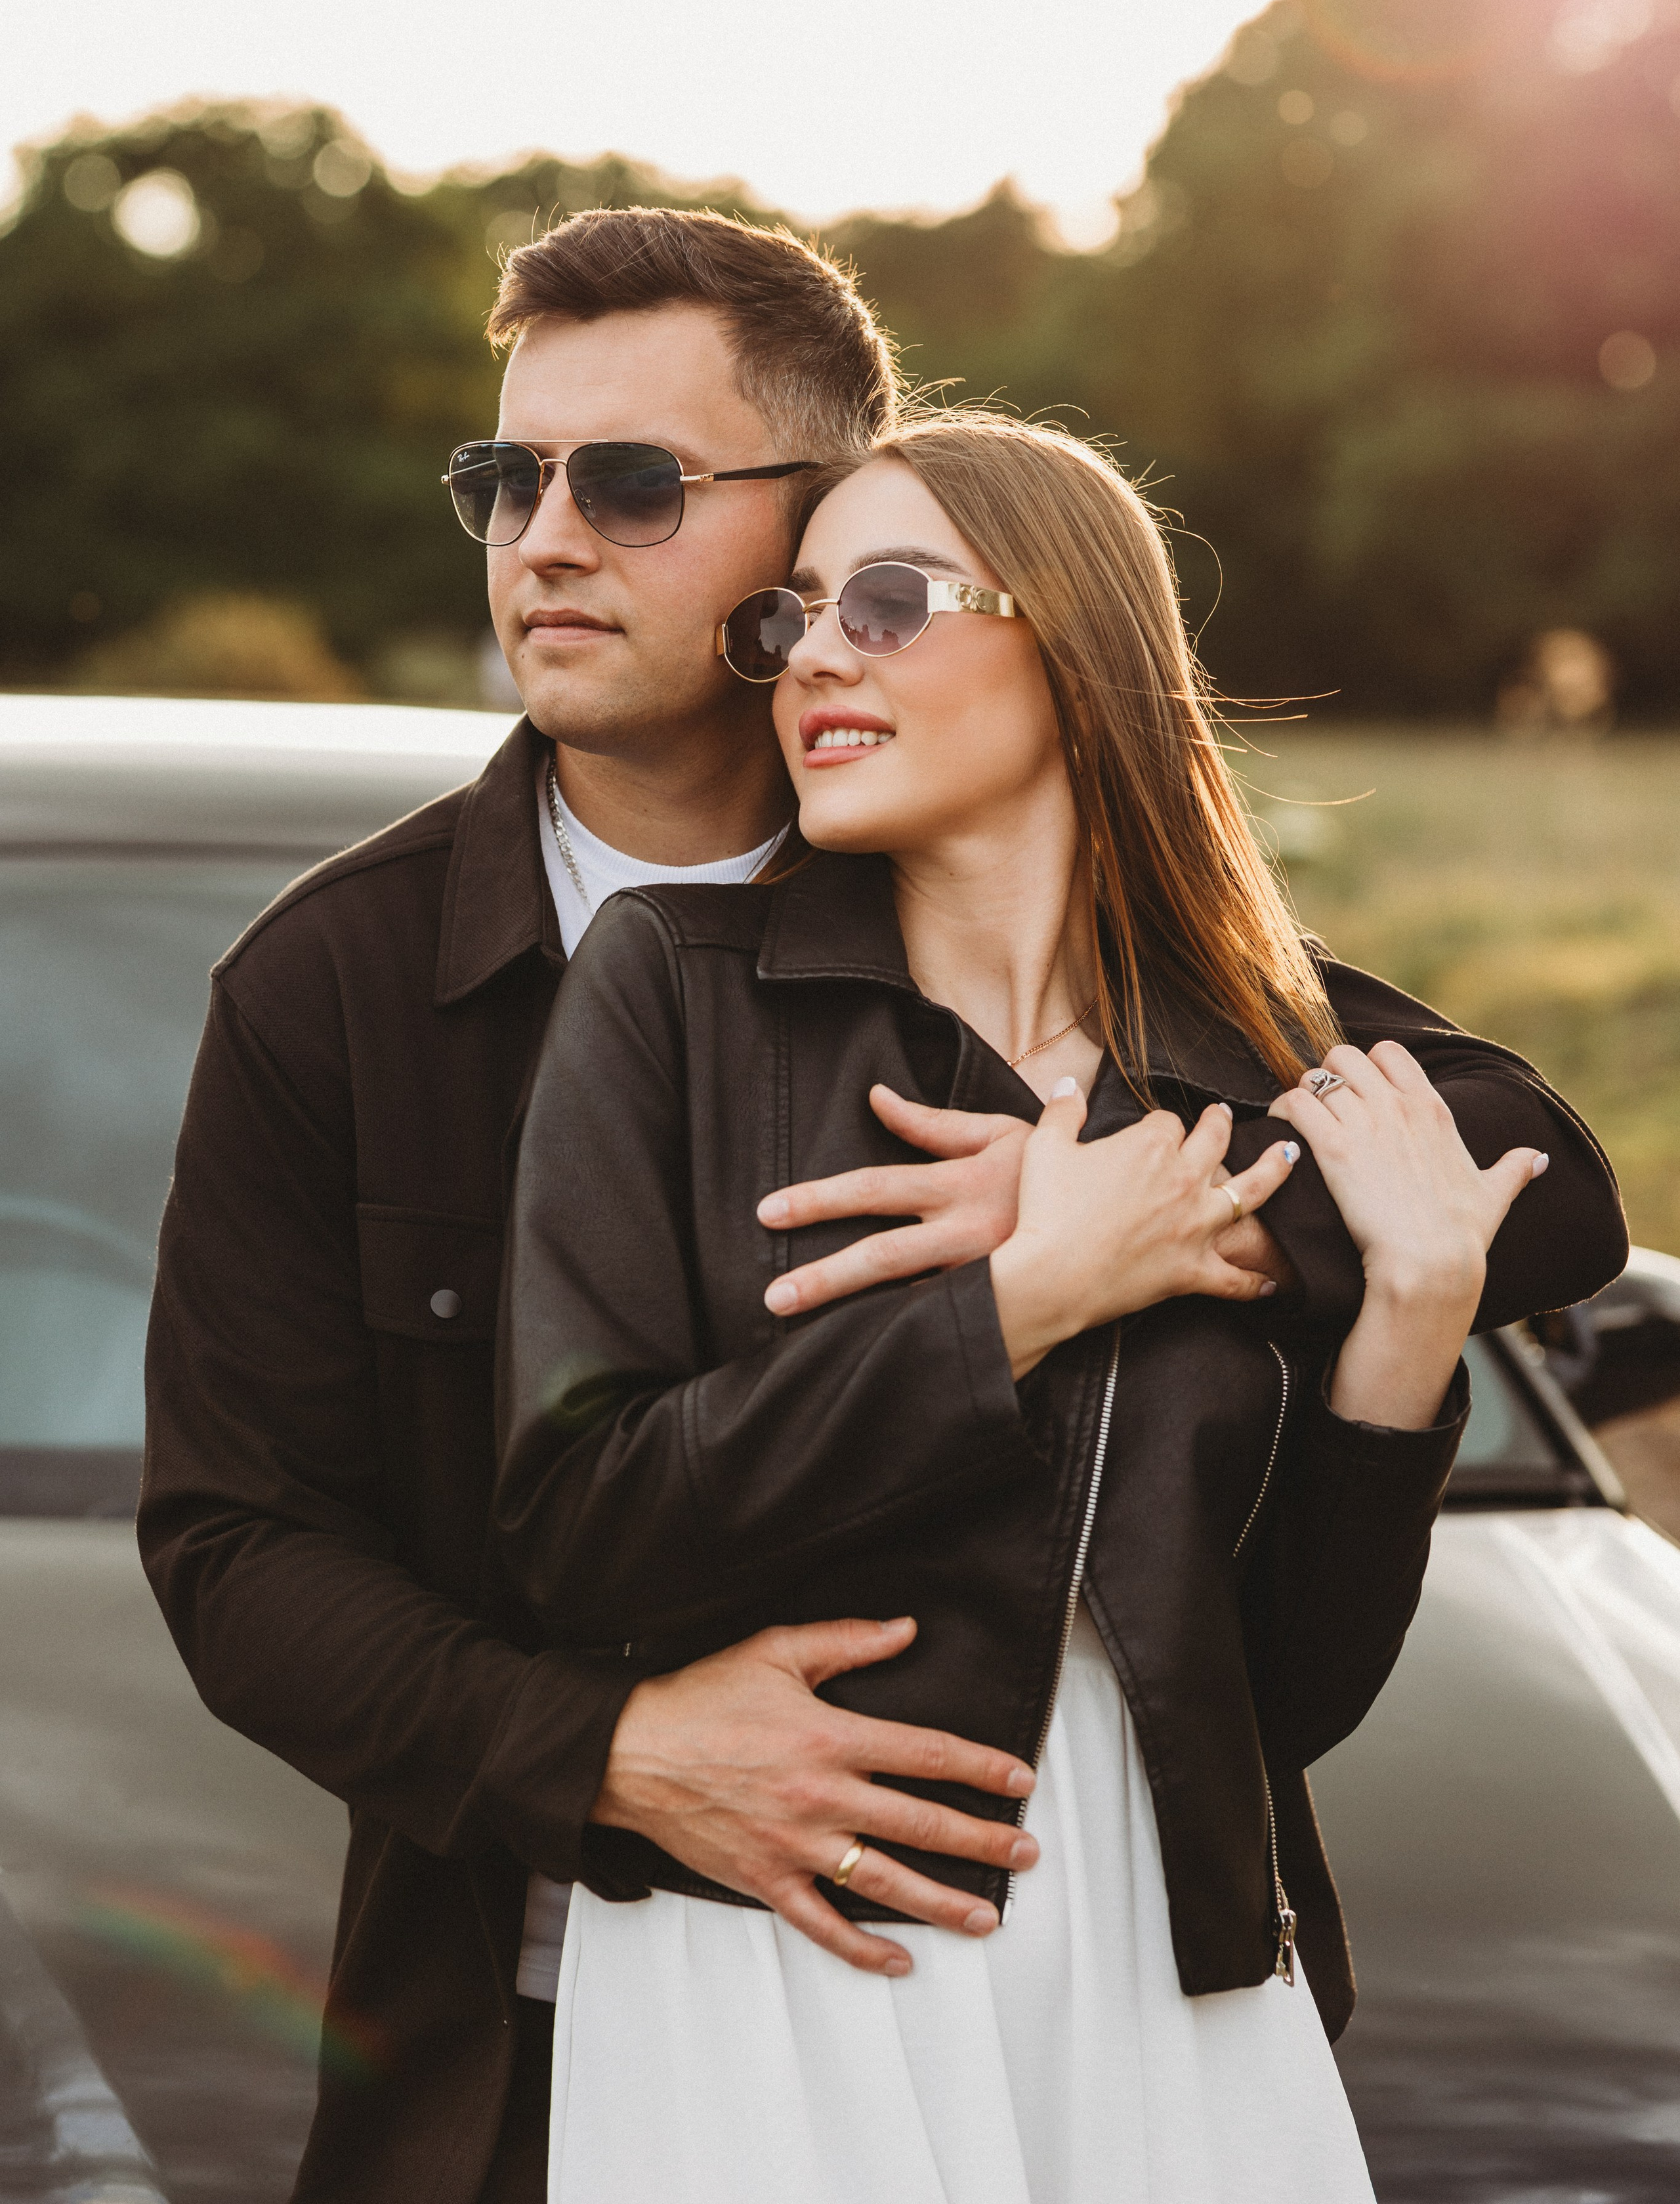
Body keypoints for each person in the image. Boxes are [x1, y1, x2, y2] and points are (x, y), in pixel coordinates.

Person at [145, 212, 1219, 2204]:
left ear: (826, 538)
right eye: (506, 478)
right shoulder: (332, 985)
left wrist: (1200, 1214)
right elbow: (237, 1548)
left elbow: (1467, 1130)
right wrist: (614, 1752)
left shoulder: (1007, 907)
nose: (543, 538)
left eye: (630, 483)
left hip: (1061, 2023)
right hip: (527, 2050)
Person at [495, 414, 1629, 2202]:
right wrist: (1028, 1291)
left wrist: (1324, 1287)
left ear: (1077, 647)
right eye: (791, 618)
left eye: (887, 600)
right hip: (796, 1946)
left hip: (1169, 1942)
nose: (816, 660)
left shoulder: (1241, 1049)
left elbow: (1553, 1183)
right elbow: (580, 1535)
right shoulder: (677, 998)